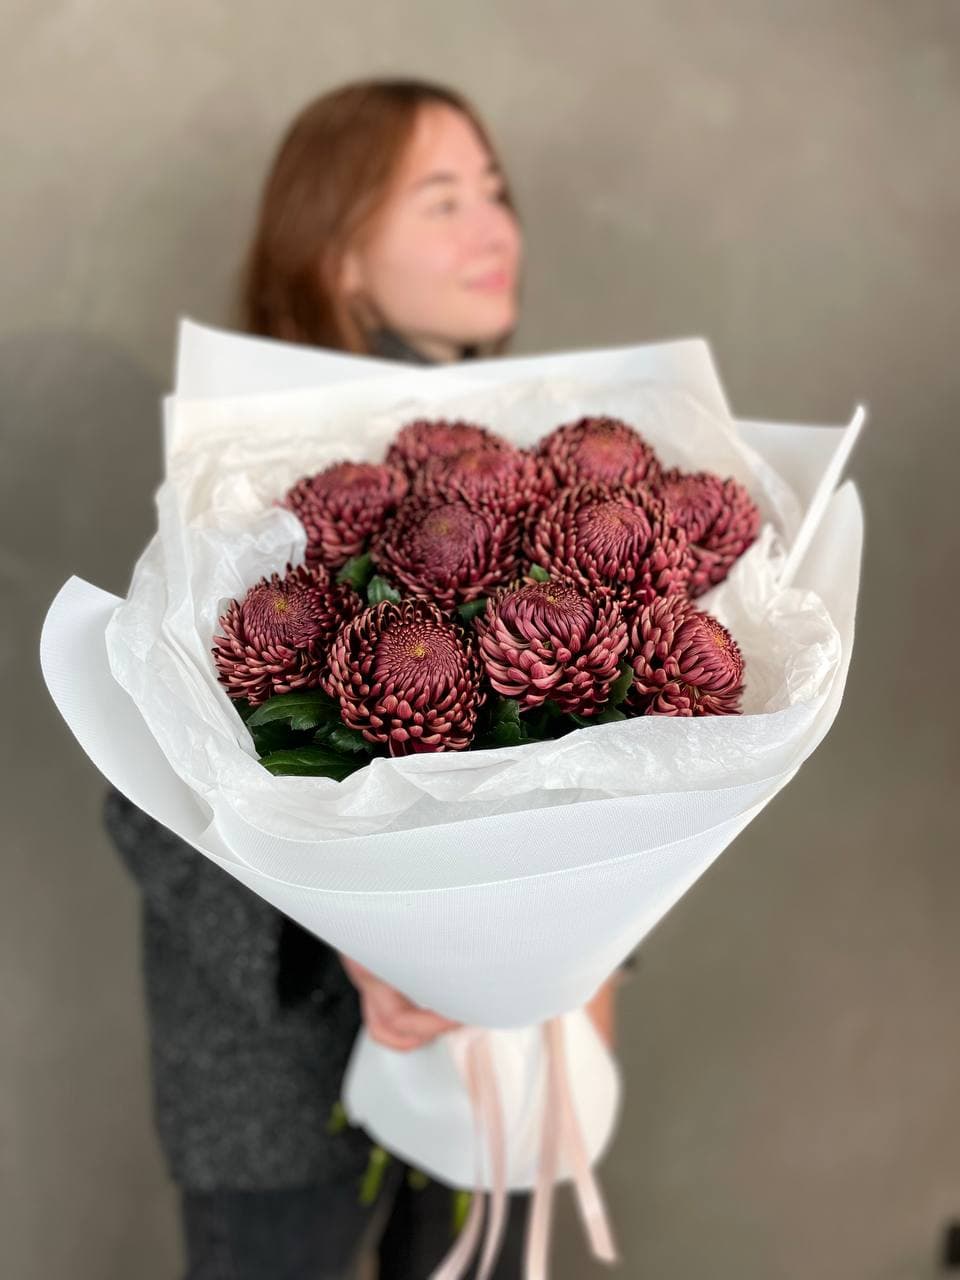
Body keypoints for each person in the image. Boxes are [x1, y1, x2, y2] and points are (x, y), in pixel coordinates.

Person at [105, 78, 617, 1280]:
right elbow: (141, 787)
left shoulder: (548, 483)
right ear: (339, 255)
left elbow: (611, 751)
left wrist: (588, 962)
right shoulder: (244, 478)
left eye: (495, 192)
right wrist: (352, 942)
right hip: (277, 1081)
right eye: (442, 200)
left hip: (504, 1055)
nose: (495, 229)